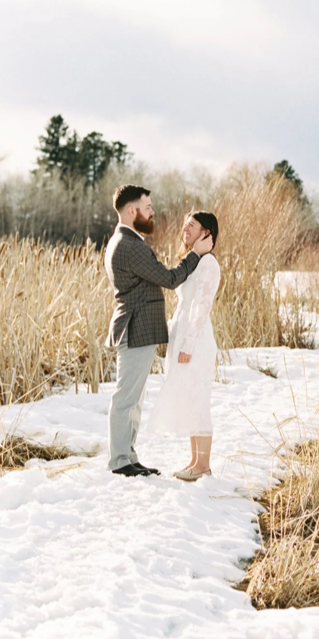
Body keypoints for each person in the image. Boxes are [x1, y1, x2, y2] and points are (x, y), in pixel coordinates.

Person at [104, 185, 213, 477]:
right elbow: (169, 277)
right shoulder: (130, 245)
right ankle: (120, 460)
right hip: (135, 327)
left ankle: (128, 456)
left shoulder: (125, 241)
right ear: (131, 211)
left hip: (138, 328)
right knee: (126, 398)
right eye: (147, 207)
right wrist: (195, 254)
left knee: (133, 399)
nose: (153, 212)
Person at [147, 211, 221, 481]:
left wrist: (188, 345)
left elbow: (201, 309)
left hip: (197, 340)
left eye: (192, 225)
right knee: (190, 398)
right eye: (185, 224)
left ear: (206, 233)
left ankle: (204, 465)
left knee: (198, 398)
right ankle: (194, 461)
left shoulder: (209, 264)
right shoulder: (193, 262)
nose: (185, 228)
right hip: (183, 336)